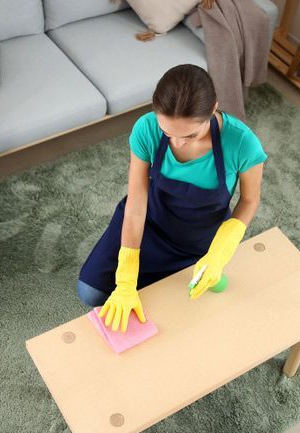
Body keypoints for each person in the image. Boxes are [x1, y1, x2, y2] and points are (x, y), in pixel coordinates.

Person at [77, 64, 267, 332]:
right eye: (168, 134)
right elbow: (136, 202)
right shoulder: (146, 128)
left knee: (177, 315)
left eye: (190, 134)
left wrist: (219, 252)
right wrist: (127, 277)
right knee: (91, 294)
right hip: (148, 224)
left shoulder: (242, 143)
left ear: (213, 109)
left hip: (197, 241)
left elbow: (249, 201)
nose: (177, 143)